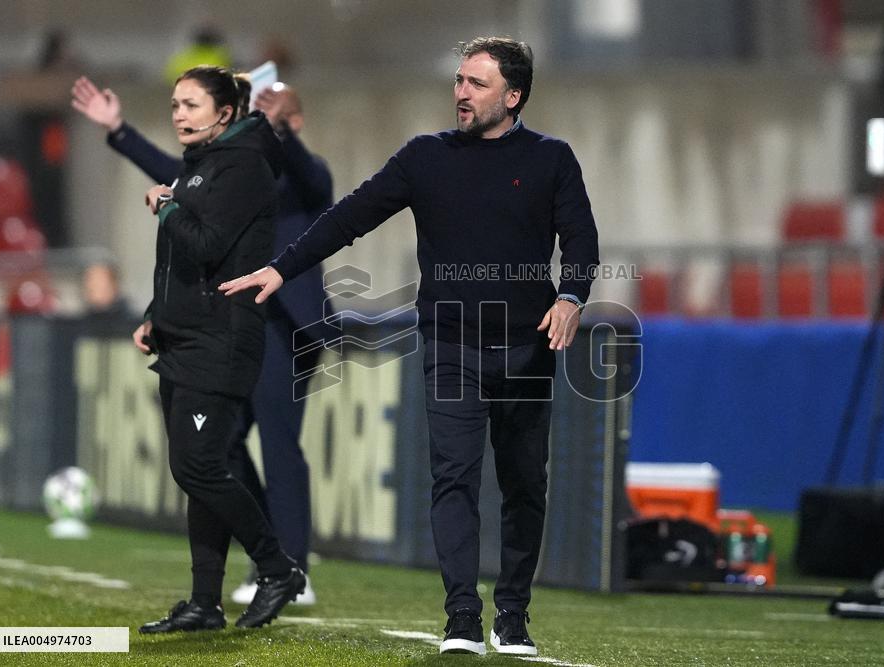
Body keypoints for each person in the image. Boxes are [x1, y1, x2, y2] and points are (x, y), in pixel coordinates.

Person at [220, 37, 599, 656]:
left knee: (525, 484)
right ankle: (461, 616)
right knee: (454, 479)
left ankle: (512, 614)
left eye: (476, 84)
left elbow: (581, 240)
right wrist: (282, 269)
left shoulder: (551, 158)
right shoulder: (426, 156)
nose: (461, 93)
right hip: (450, 342)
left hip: (526, 347)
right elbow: (349, 217)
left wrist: (572, 296)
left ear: (513, 96)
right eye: (459, 81)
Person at [71, 76, 332, 606]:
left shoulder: (294, 172)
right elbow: (179, 178)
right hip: (227, 321)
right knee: (221, 445)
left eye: (272, 110)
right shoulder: (223, 167)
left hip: (282, 323)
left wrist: (281, 127)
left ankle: (292, 568)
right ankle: (267, 562)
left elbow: (307, 177)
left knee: (278, 444)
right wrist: (119, 130)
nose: (260, 115)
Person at [122, 65, 304, 633]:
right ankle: (205, 603)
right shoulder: (200, 163)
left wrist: (167, 205)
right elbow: (183, 264)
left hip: (220, 338)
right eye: (175, 104)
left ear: (225, 113)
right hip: (182, 337)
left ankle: (277, 568)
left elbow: (206, 245)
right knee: (201, 472)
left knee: (197, 467)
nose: (179, 114)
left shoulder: (244, 165)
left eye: (191, 105)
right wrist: (155, 315)